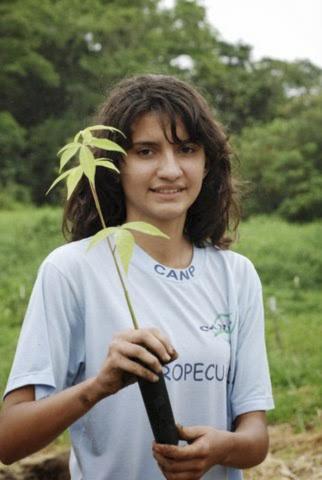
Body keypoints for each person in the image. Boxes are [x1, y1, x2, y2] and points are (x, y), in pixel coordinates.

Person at [0, 74, 274, 480]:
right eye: (146, 151)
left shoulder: (236, 275)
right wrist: (99, 385)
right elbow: (9, 441)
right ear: (114, 166)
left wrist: (222, 449)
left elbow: (255, 439)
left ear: (207, 162)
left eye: (187, 149)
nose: (170, 169)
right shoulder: (72, 269)